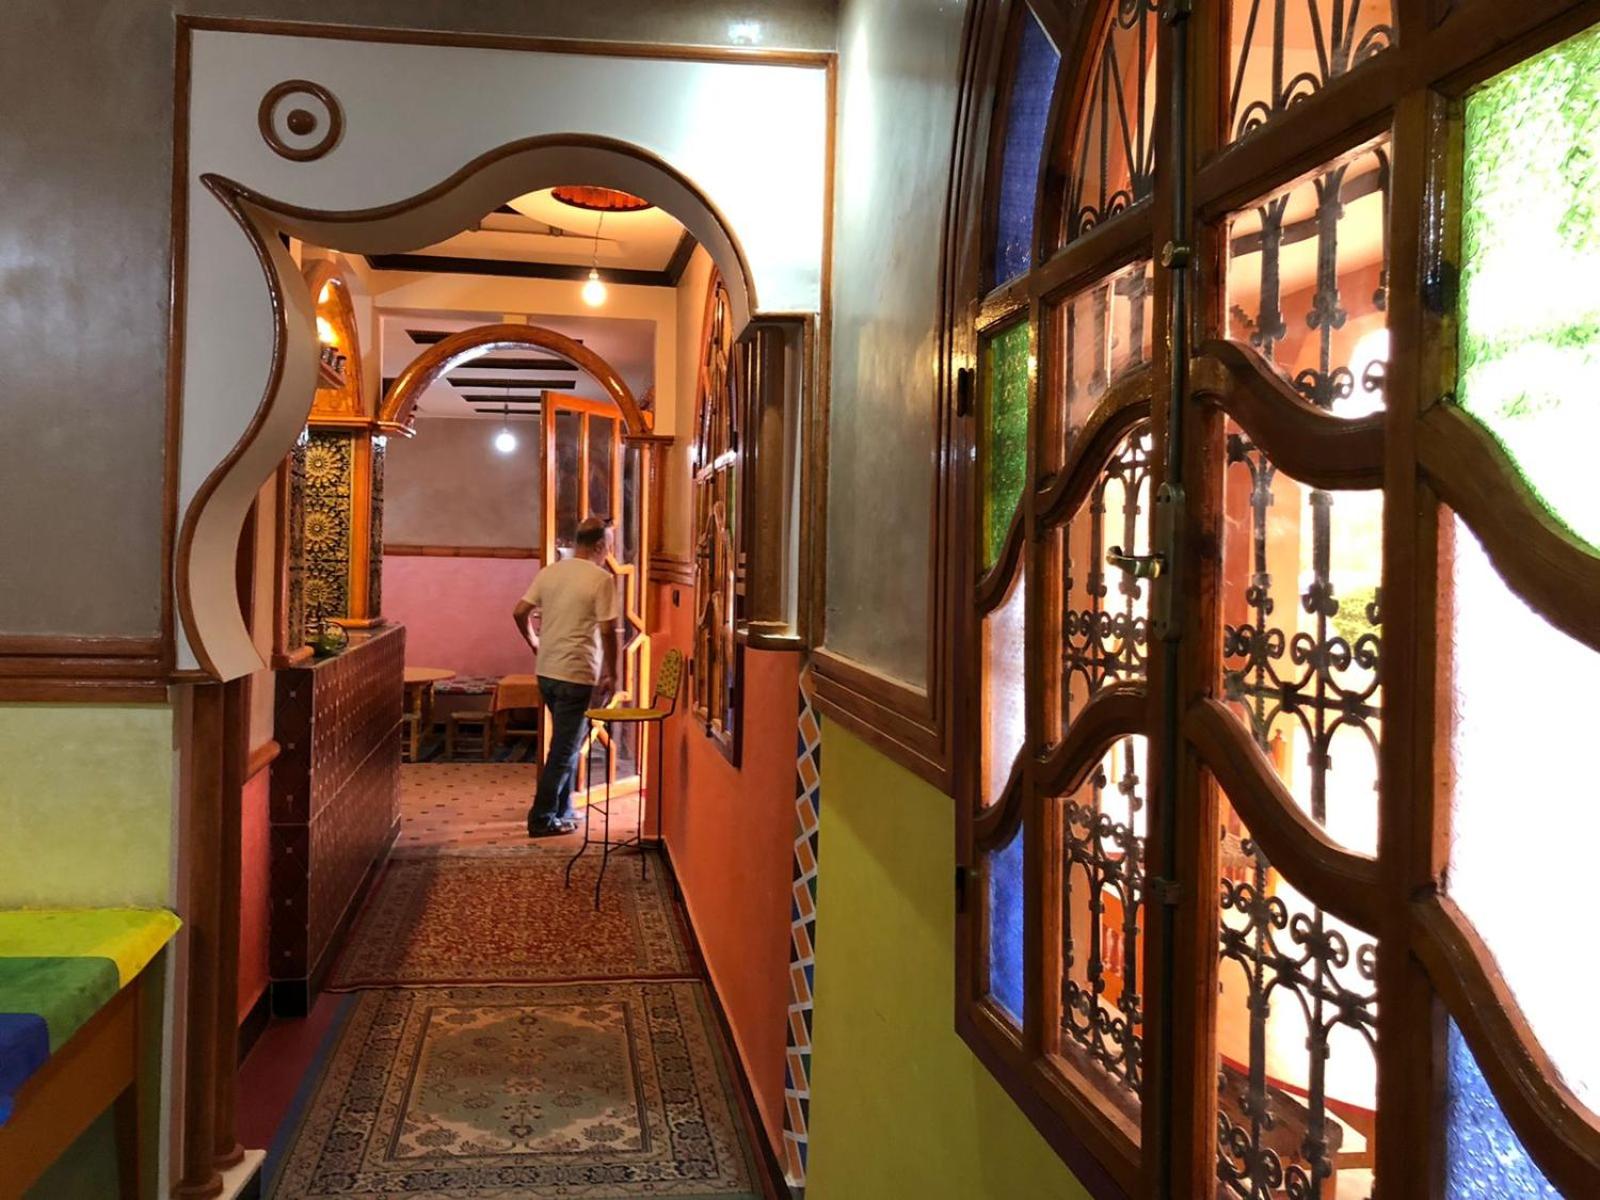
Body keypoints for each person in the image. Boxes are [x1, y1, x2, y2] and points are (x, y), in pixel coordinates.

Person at [513, 517, 620, 836]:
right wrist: (613, 673)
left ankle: (563, 808)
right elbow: (608, 630)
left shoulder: (551, 572)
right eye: (609, 545)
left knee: (564, 742)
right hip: (577, 672)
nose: (610, 551)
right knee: (565, 749)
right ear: (599, 546)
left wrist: (534, 641)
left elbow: (519, 611)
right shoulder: (601, 579)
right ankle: (542, 818)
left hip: (547, 671)